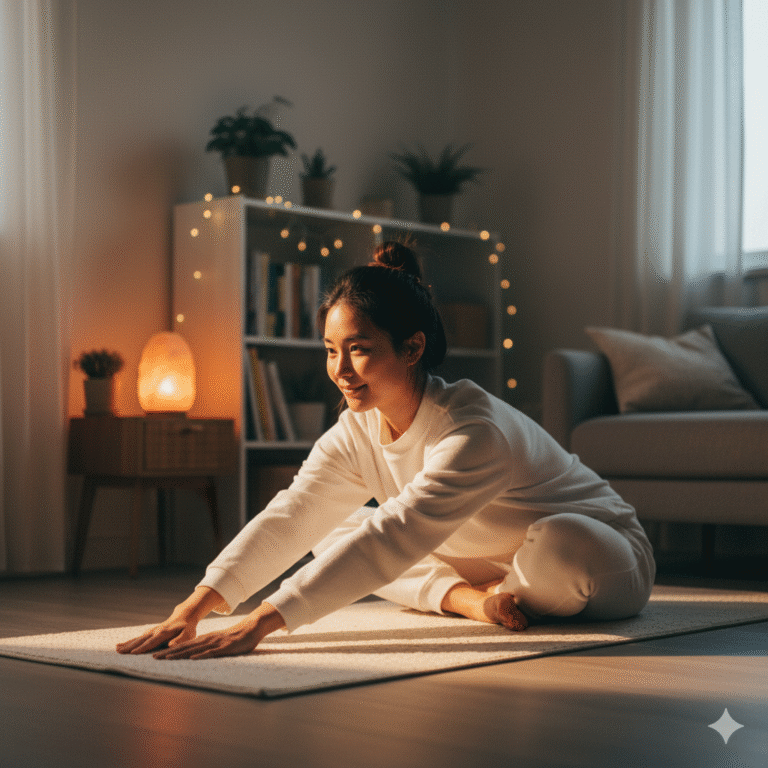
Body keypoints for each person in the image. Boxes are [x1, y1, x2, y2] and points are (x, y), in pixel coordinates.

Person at [117, 241, 655, 661]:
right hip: (477, 563)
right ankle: (476, 601)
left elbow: (396, 534)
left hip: (603, 558)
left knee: (562, 542)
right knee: (331, 528)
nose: (341, 372)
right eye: (331, 352)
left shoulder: (472, 429)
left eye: (359, 351)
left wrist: (263, 622)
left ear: (412, 347)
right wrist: (196, 606)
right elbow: (290, 517)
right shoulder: (356, 428)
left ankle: (500, 592)